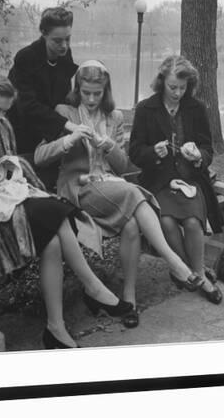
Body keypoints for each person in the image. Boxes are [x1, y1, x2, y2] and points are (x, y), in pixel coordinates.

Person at [0, 73, 132, 350]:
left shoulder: (2, 126)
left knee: (52, 237)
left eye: (5, 110)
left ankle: (56, 327)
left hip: (5, 203)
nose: (0, 116)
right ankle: (93, 286)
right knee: (55, 211)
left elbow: (9, 166)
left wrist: (11, 171)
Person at [34, 61, 203, 328]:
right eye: (86, 92)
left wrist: (111, 146)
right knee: (132, 192)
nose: (91, 99)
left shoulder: (114, 118)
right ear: (77, 89)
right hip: (78, 189)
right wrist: (68, 139)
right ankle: (175, 262)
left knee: (133, 224)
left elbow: (123, 166)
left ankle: (129, 299)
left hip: (111, 191)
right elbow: (39, 156)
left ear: (105, 91)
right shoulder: (64, 113)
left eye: (97, 93)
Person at [128, 55, 224, 305]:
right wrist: (152, 152)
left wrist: (197, 156)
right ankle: (193, 273)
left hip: (190, 180)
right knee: (168, 223)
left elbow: (207, 149)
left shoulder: (197, 108)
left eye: (183, 88)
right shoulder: (146, 109)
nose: (178, 93)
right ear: (162, 82)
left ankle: (197, 274)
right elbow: (135, 152)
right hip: (158, 181)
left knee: (192, 223)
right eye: (173, 87)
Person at [7, 7, 81, 156]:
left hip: (53, 133)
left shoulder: (65, 55)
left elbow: (65, 96)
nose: (64, 45)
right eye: (57, 40)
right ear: (44, 33)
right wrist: (65, 124)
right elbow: (27, 105)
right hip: (23, 133)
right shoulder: (26, 57)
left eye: (68, 39)